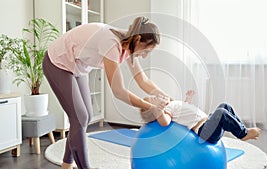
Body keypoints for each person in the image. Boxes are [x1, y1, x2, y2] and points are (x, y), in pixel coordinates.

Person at [42, 16, 171, 169]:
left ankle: (66, 165)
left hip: (77, 67)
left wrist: (166, 96)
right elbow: (119, 91)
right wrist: (150, 106)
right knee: (80, 117)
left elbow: (142, 80)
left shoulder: (129, 44)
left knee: (86, 116)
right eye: (146, 50)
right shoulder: (111, 43)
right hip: (58, 62)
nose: (144, 55)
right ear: (138, 39)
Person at [141, 90, 261, 144]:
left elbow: (183, 110)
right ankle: (243, 134)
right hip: (205, 131)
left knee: (225, 106)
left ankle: (241, 129)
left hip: (207, 121)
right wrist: (159, 112)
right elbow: (165, 122)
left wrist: (187, 99)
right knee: (221, 113)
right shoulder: (166, 111)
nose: (158, 97)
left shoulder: (172, 104)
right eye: (154, 99)